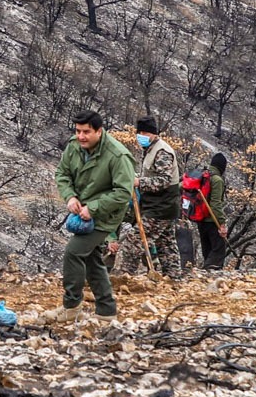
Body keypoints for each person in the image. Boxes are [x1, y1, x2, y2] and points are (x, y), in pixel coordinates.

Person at [49, 110, 135, 324]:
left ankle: (71, 306)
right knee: (91, 258)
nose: (81, 137)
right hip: (82, 209)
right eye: (78, 131)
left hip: (106, 214)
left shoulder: (117, 155)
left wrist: (94, 208)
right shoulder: (74, 146)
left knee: (74, 252)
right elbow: (62, 174)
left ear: (99, 131)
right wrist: (69, 197)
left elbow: (124, 192)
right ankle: (106, 311)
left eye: (86, 132)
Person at [129, 116, 182, 279]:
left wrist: (139, 182)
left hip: (161, 206)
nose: (141, 135)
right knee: (166, 244)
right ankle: (173, 278)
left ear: (154, 133)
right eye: (140, 132)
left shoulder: (162, 151)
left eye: (145, 132)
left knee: (135, 240)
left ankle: (123, 275)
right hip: (160, 205)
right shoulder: (151, 149)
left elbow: (164, 180)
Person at [197, 152, 229, 270]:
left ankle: (204, 276)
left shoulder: (201, 175)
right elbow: (215, 204)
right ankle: (210, 273)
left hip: (200, 219)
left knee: (207, 249)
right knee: (218, 250)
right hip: (212, 220)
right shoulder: (217, 180)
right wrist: (222, 223)